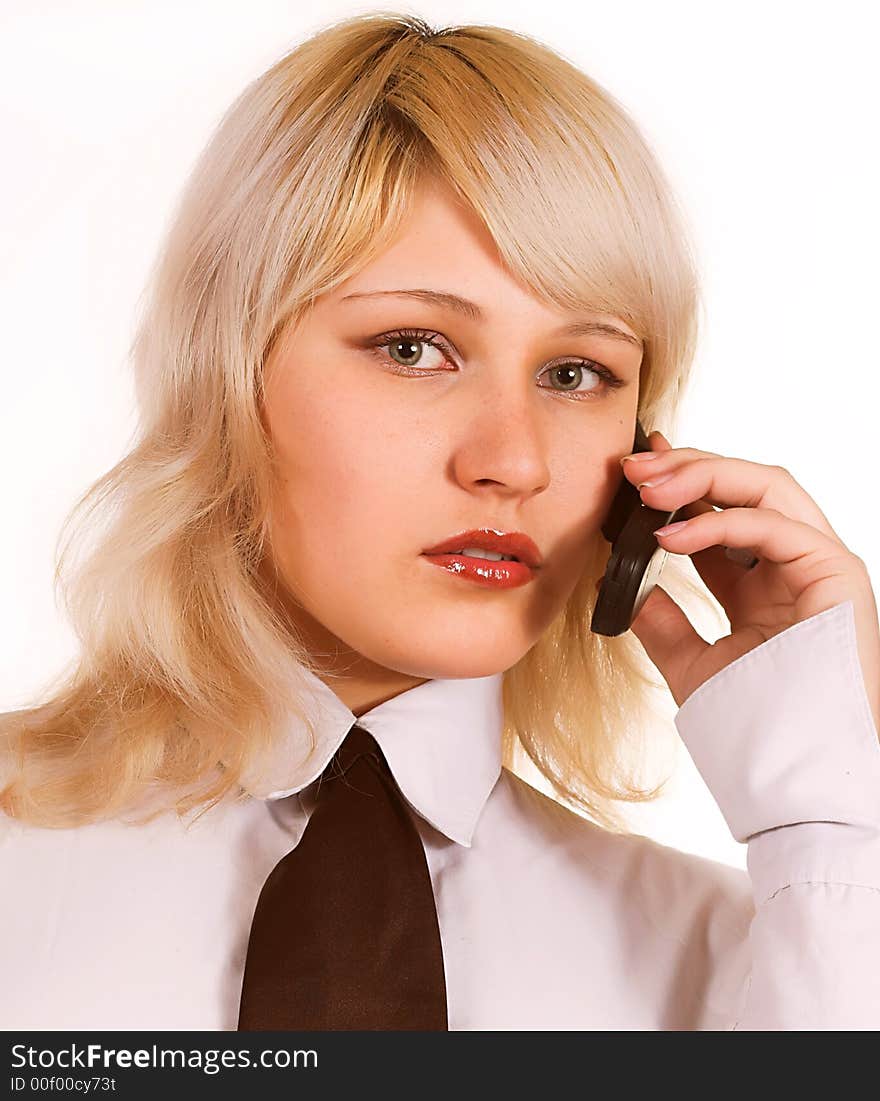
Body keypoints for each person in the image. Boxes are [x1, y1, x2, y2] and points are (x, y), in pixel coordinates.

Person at [2, 12, 879, 1032]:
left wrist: (825, 817)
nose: (512, 460)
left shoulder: (756, 959)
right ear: (225, 375)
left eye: (574, 373)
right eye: (413, 348)